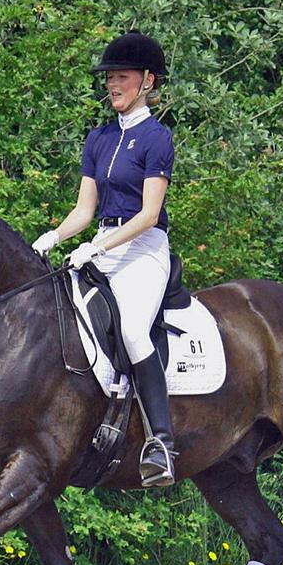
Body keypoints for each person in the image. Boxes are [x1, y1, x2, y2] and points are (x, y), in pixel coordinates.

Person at [32, 30, 176, 488]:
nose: (113, 85)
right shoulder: (98, 138)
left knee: (133, 329)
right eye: (110, 77)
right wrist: (53, 236)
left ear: (147, 81)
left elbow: (149, 214)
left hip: (145, 248)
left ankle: (163, 442)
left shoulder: (157, 138)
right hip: (104, 241)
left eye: (122, 77)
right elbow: (84, 210)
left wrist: (99, 246)